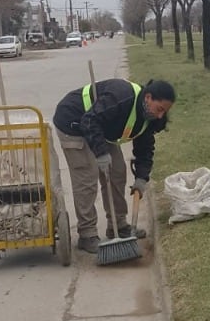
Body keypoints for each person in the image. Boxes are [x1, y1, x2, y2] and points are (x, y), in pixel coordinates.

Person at [52, 78, 175, 254]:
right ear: (148, 98)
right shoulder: (122, 97)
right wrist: (101, 154)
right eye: (160, 109)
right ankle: (87, 234)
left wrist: (142, 177)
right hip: (74, 121)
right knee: (87, 176)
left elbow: (145, 148)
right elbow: (89, 120)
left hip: (101, 127)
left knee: (117, 171)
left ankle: (118, 225)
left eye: (165, 112)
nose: (161, 115)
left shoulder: (150, 117)